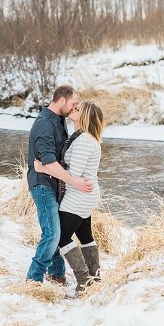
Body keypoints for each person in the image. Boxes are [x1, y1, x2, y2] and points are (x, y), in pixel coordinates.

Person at [35, 100, 104, 295]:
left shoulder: (84, 140)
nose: (74, 109)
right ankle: (95, 278)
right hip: (85, 193)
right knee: (85, 235)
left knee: (62, 237)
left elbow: (74, 172)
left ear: (85, 116)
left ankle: (83, 282)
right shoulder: (84, 137)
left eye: (78, 109)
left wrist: (44, 167)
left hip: (79, 194)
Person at [26, 85, 93, 285]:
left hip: (56, 184)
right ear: (61, 100)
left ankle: (56, 274)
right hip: (43, 184)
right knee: (53, 233)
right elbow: (47, 161)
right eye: (73, 104)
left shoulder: (59, 121)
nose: (74, 108)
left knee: (56, 230)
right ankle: (33, 279)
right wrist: (74, 182)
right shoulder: (45, 123)